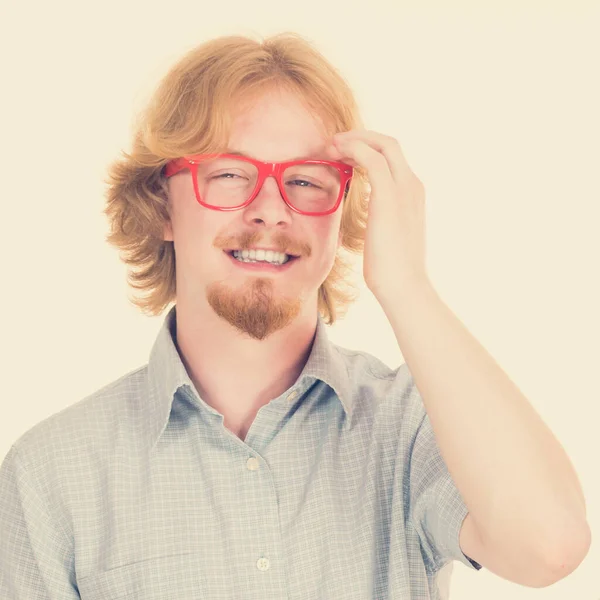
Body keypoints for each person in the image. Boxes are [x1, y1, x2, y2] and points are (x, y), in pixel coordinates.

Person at [0, 32, 589, 599]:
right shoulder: (51, 474)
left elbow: (550, 547)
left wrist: (408, 287)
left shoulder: (412, 425)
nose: (270, 211)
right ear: (162, 206)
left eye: (306, 182)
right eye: (230, 174)